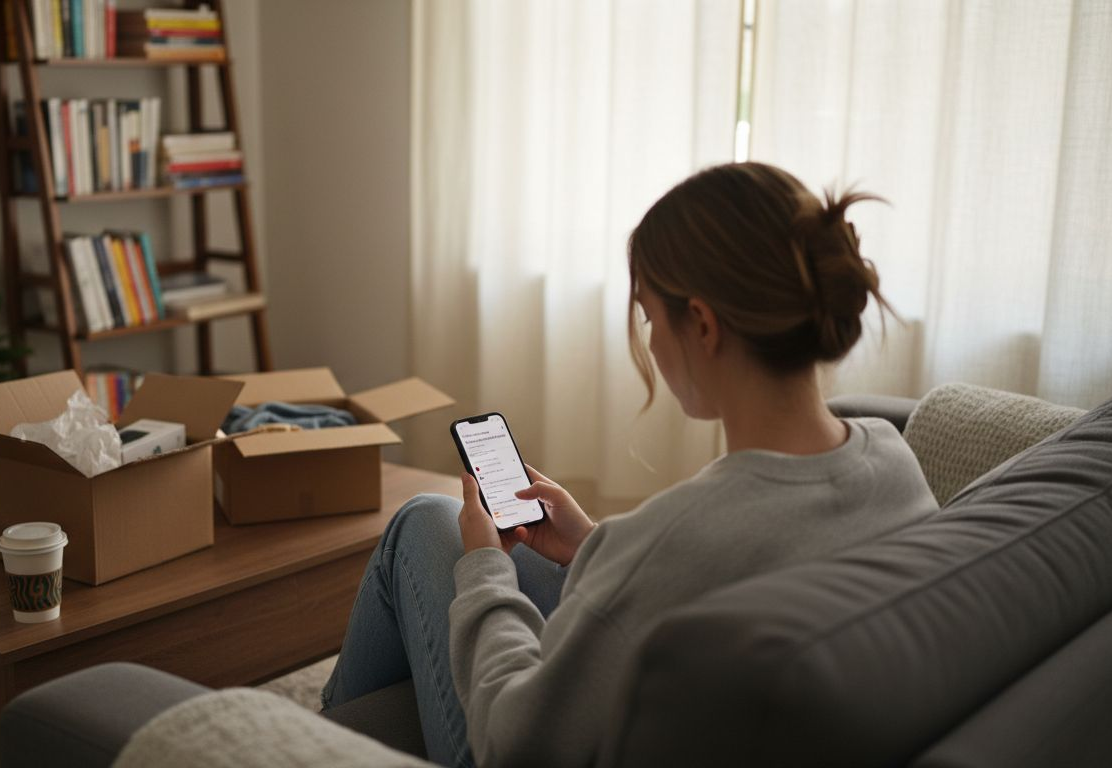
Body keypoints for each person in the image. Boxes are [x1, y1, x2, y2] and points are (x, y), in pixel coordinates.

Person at [320, 162, 939, 767]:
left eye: (648, 314)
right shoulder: (890, 456)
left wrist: (485, 569)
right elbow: (719, 569)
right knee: (431, 516)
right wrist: (595, 544)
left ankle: (296, 741)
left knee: (420, 533)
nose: (650, 340)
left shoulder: (680, 537)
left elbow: (512, 740)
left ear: (701, 323)